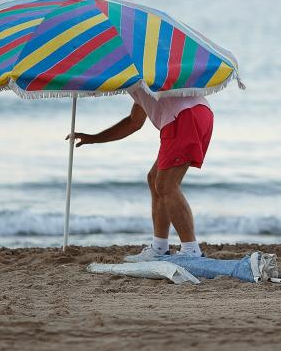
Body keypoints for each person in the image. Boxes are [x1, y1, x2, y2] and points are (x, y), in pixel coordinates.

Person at [68, 87, 213, 260]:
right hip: (199, 113)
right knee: (154, 179)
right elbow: (134, 122)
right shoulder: (142, 80)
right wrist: (93, 138)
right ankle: (160, 248)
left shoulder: (140, 77)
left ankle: (191, 250)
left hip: (183, 117)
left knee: (166, 185)